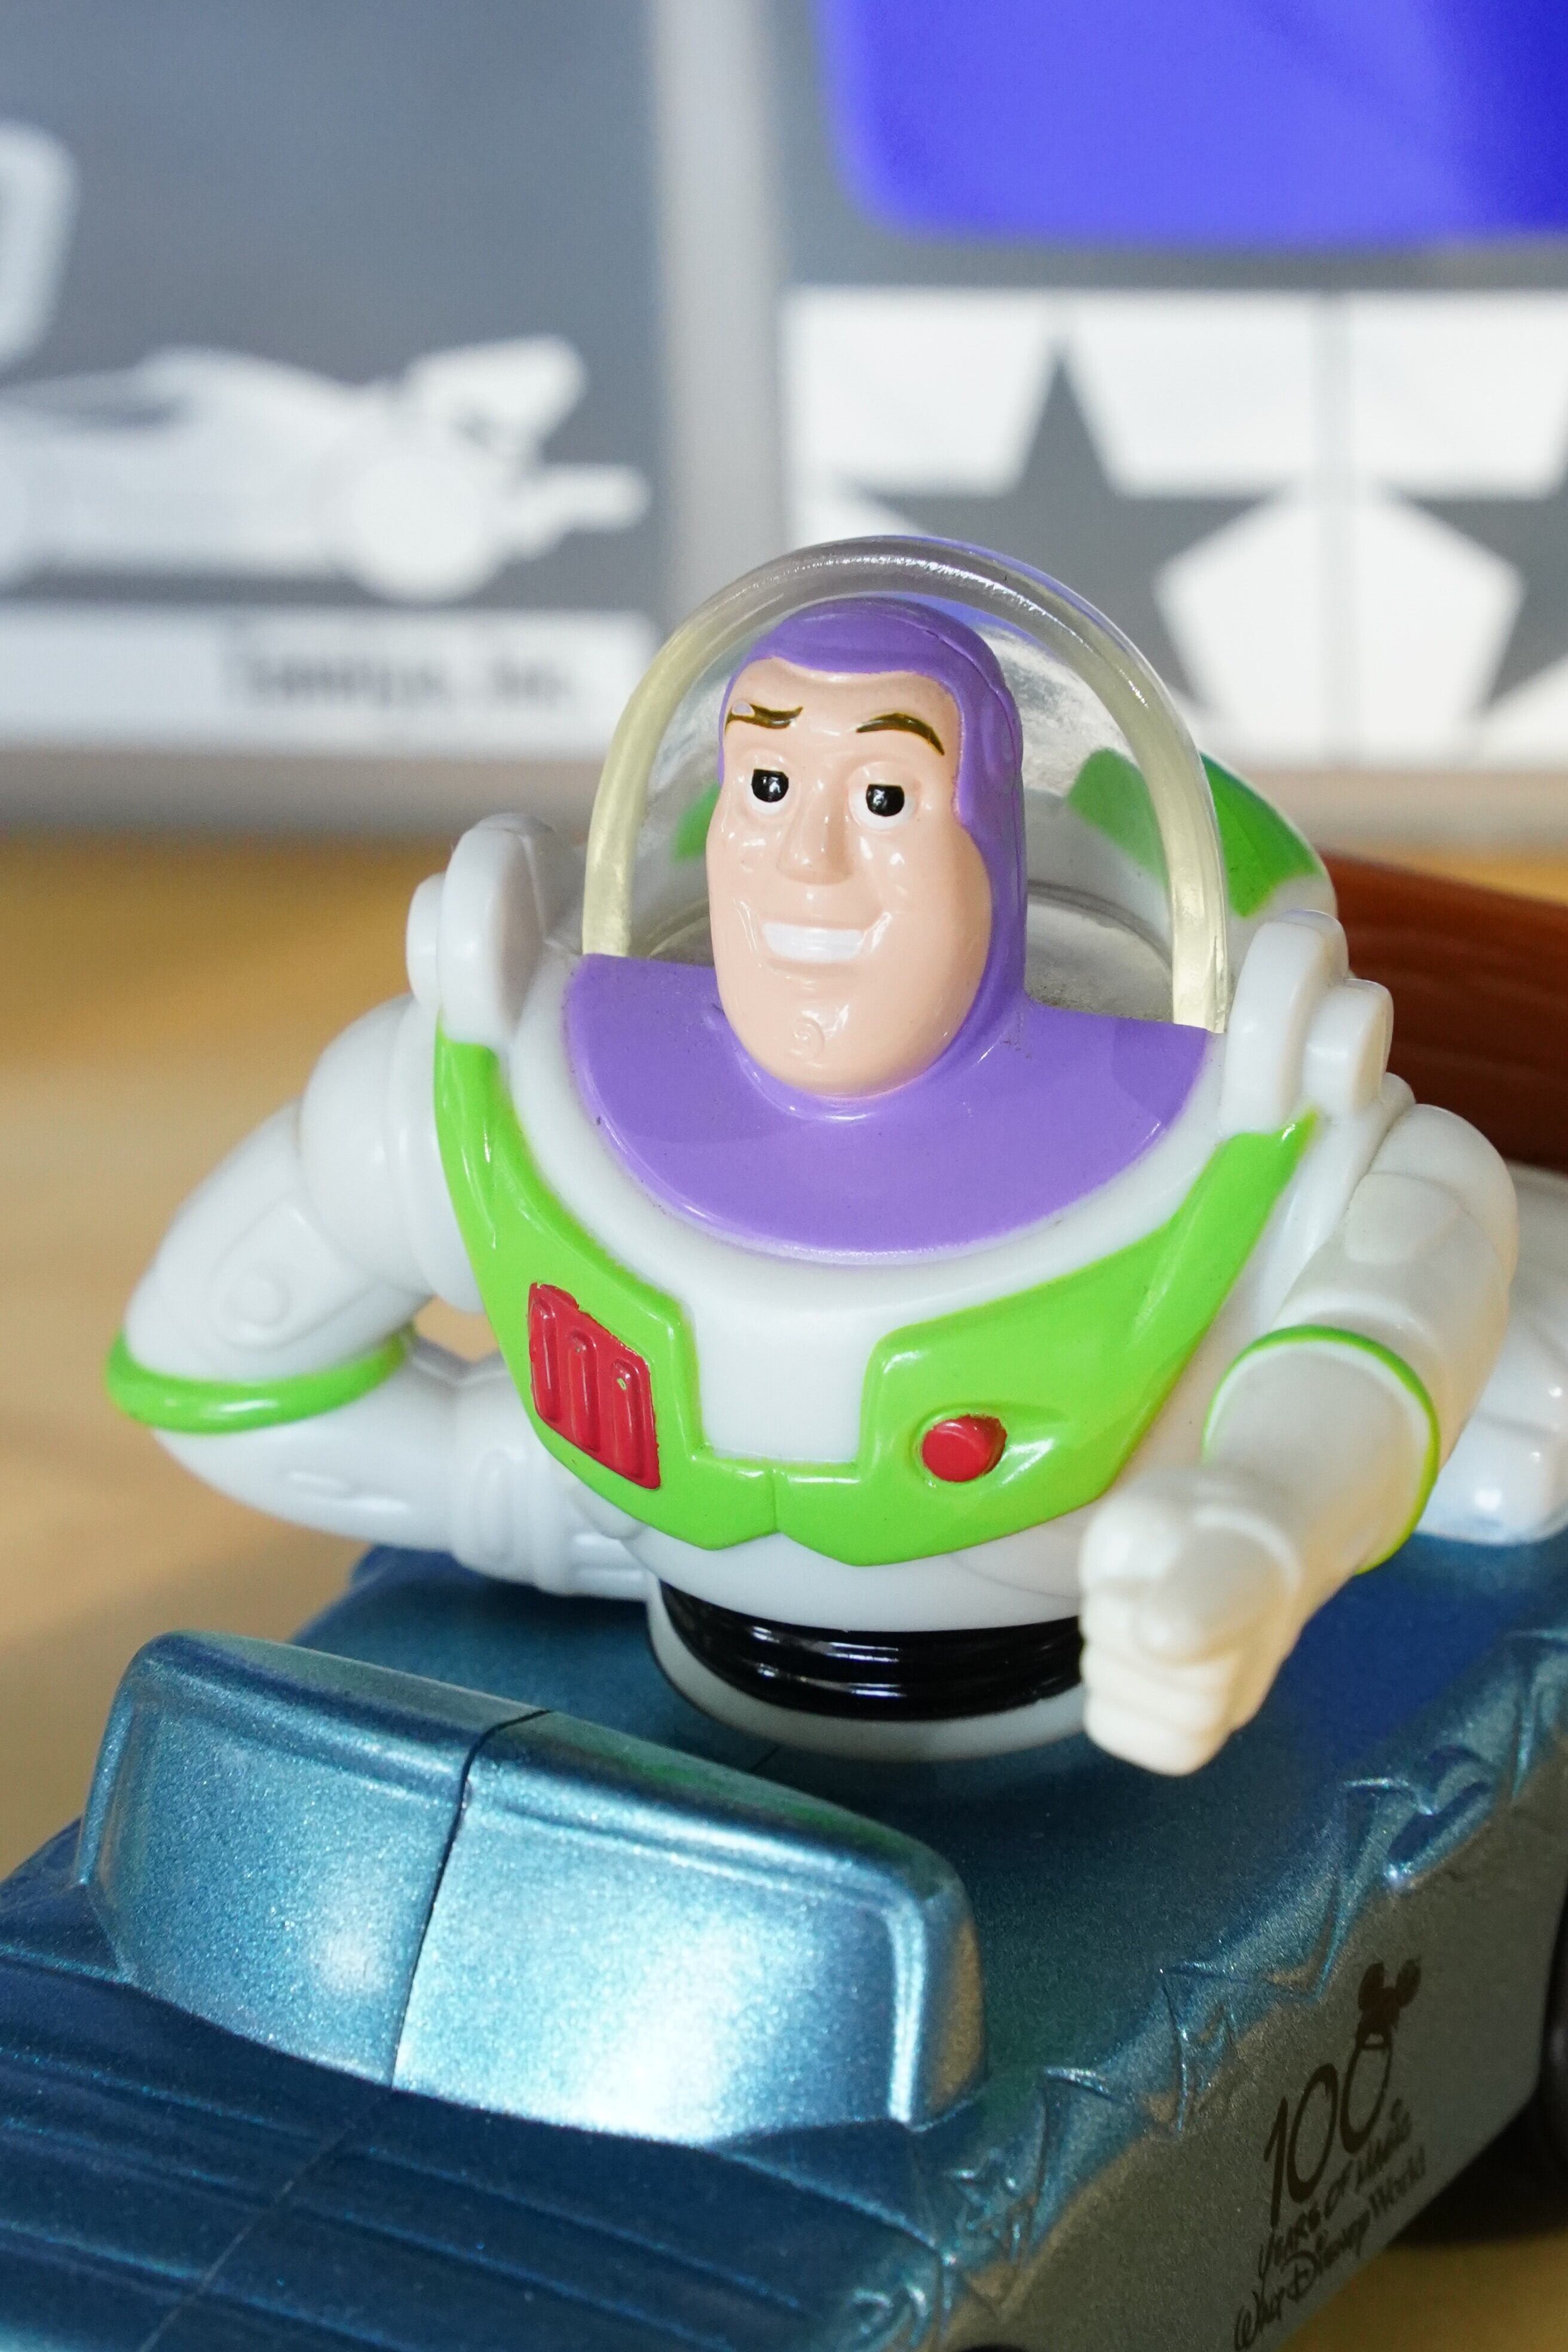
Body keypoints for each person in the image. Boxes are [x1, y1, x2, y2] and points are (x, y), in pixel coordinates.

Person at [109, 595, 1561, 1772]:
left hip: (1106, 1726)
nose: (806, 862)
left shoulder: (1258, 1141)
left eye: (882, 795)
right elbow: (211, 1383)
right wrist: (538, 1498)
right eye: (766, 783)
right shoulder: (491, 1096)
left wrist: (1260, 1522)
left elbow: (1391, 1301)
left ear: (989, 843)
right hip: (678, 1690)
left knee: (1518, 1417)